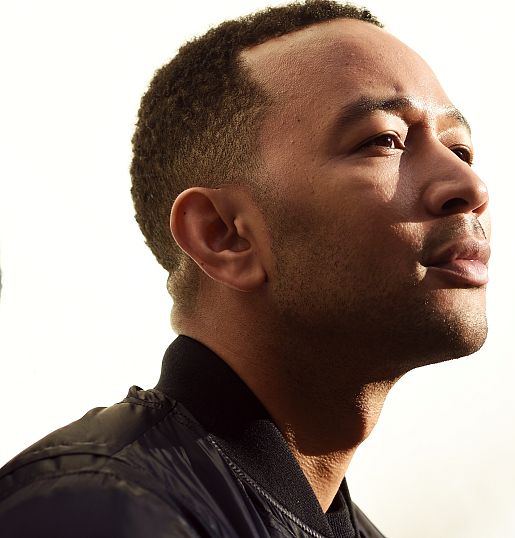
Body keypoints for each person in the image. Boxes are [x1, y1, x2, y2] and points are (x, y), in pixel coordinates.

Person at [0, 1, 489, 536]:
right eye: (384, 140)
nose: (470, 187)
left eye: (461, 149)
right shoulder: (95, 510)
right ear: (223, 235)